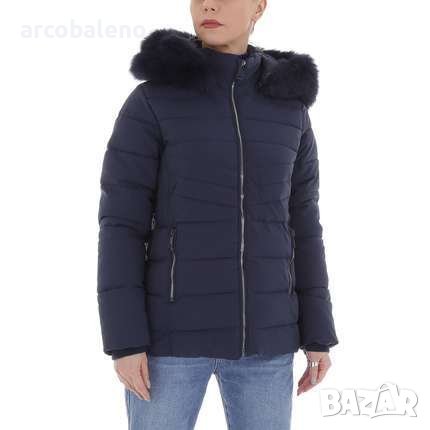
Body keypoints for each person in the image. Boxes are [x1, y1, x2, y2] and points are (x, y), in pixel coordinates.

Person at [96, 0, 339, 428]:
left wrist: (318, 333)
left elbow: (303, 226)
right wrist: (125, 340)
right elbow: (121, 226)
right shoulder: (153, 100)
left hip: (267, 340)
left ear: (259, 7)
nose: (209, 4)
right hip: (170, 341)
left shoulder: (289, 109)